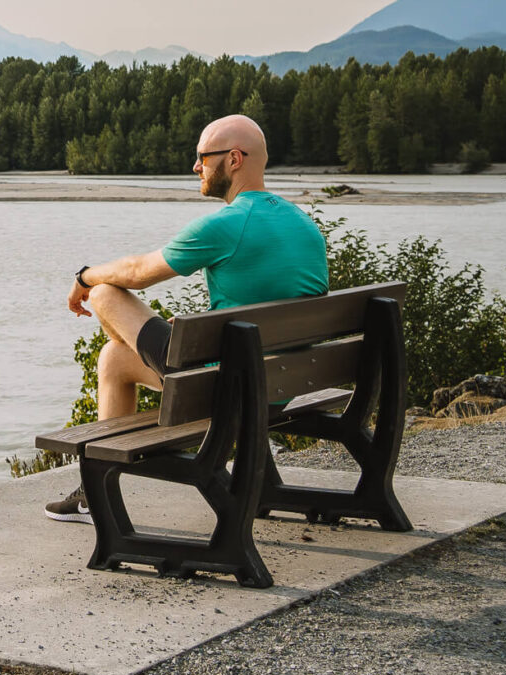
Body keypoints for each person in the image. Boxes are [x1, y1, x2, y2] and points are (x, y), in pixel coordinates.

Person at [43, 114, 329, 523]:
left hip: (223, 389)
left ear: (233, 159)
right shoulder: (302, 223)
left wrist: (84, 277)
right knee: (113, 359)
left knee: (106, 293)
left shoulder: (227, 224)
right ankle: (93, 493)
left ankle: (99, 491)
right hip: (284, 384)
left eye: (202, 157)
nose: (196, 167)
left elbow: (139, 272)